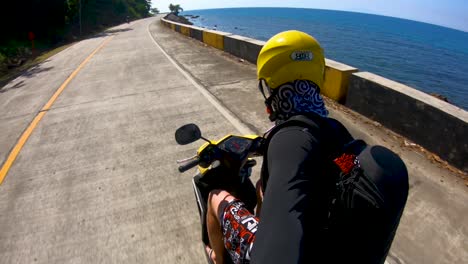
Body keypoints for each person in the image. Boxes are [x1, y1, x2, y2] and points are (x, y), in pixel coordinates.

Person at [204, 30, 409, 264]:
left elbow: (277, 253)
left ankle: (217, 258)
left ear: (270, 87)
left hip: (303, 250)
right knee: (263, 186)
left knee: (215, 197)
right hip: (329, 245)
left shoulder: (289, 140)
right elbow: (342, 166)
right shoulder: (337, 133)